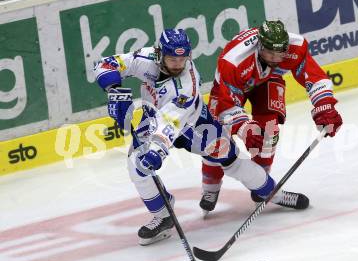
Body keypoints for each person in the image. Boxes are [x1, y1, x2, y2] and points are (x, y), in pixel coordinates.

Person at [93, 29, 309, 245]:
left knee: (231, 161)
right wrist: (114, 89)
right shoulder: (146, 58)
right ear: (159, 54)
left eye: (182, 58)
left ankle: (272, 193)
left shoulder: (187, 84)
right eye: (172, 58)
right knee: (137, 166)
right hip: (152, 119)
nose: (178, 64)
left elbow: (171, 123)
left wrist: (157, 151)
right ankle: (163, 215)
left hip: (194, 125)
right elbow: (106, 64)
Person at [200, 20, 343, 214]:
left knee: (269, 131)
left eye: (280, 53)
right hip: (231, 89)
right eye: (270, 53)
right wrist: (244, 128)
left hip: (268, 79)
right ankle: (211, 186)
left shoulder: (295, 47)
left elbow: (314, 77)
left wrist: (325, 106)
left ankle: (261, 185)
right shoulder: (233, 61)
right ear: (260, 46)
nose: (276, 58)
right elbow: (228, 104)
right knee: (216, 137)